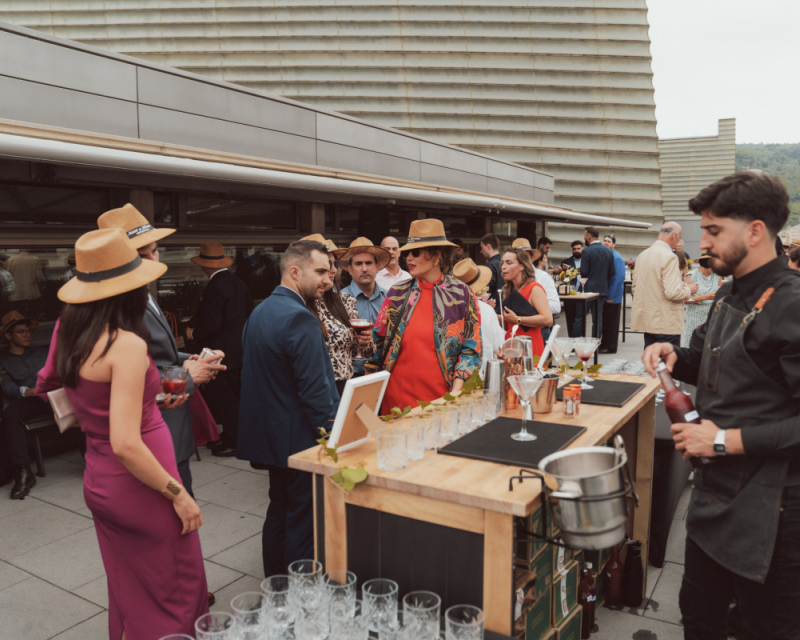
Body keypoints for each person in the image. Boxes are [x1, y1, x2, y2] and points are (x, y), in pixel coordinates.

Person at [641, 171, 800, 640]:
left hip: (774, 513)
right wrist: (676, 355)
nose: (703, 242)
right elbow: (712, 362)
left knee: (764, 629)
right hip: (713, 499)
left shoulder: (792, 305)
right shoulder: (729, 292)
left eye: (713, 230)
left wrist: (723, 440)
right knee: (699, 618)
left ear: (755, 231)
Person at [36, 228, 207, 640]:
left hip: (101, 478)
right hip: (143, 486)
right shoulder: (125, 344)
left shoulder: (71, 334)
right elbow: (127, 443)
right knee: (177, 594)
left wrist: (153, 402)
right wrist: (178, 494)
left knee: (130, 590)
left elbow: (84, 398)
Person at [98, 204, 224, 495]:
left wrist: (190, 359)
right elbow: (128, 378)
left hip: (171, 429)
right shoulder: (118, 307)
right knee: (178, 508)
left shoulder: (143, 292)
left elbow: (156, 354)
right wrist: (187, 376)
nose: (153, 260)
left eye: (154, 251)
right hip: (151, 435)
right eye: (142, 255)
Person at [237, 240, 339, 577]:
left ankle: (276, 587)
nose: (328, 279)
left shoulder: (260, 311)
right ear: (294, 271)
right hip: (300, 441)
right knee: (302, 522)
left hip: (271, 437)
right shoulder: (299, 317)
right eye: (320, 271)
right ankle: (298, 592)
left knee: (279, 511)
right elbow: (316, 391)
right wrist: (334, 437)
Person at [368, 219, 481, 412]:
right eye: (407, 253)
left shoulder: (461, 294)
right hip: (395, 400)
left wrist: (456, 392)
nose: (408, 258)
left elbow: (471, 346)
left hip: (442, 401)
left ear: (436, 255)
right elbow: (378, 343)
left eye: (416, 252)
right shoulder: (397, 293)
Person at [185, 241, 251, 458]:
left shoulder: (215, 286)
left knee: (225, 400)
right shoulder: (238, 282)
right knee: (236, 397)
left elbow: (211, 324)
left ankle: (234, 441)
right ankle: (234, 436)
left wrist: (192, 333)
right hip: (239, 350)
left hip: (219, 353)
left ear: (204, 265)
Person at [303, 235, 374, 394]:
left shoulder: (345, 301)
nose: (333, 270)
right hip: (314, 388)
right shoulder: (298, 305)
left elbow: (363, 353)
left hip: (345, 387)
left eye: (335, 264)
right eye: (327, 264)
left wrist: (366, 341)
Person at [0, 311, 53, 499]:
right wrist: (28, 392)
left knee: (82, 401)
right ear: (8, 336)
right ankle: (24, 472)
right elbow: (6, 385)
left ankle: (92, 459)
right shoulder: (2, 360)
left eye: (28, 331)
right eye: (21, 331)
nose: (27, 335)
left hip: (56, 395)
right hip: (32, 400)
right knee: (10, 415)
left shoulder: (43, 352)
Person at [630, 222, 699, 349]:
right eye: (679, 237)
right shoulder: (669, 257)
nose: (678, 242)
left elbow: (635, 288)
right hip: (667, 323)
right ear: (674, 236)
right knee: (668, 360)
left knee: (652, 359)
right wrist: (688, 290)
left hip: (649, 321)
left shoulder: (642, 255)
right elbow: (673, 293)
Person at [341, 237, 390, 375]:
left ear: (377, 267)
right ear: (350, 269)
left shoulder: (390, 298)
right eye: (358, 264)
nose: (364, 269)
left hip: (382, 372)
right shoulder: (339, 300)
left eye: (368, 263)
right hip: (351, 374)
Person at [453, 258, 504, 374]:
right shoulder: (486, 310)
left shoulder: (448, 310)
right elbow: (498, 346)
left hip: (455, 375)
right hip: (483, 373)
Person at [499, 247, 553, 352]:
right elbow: (509, 325)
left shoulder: (534, 288)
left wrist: (517, 319)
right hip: (512, 346)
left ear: (522, 266)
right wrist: (492, 314)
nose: (503, 267)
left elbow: (548, 319)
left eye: (509, 263)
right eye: (502, 263)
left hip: (530, 347)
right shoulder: (508, 290)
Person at [579, 227, 616, 339]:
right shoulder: (608, 251)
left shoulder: (586, 251)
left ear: (589, 236)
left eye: (585, 235)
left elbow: (584, 271)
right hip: (601, 289)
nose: (584, 237)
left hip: (587, 290)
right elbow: (612, 272)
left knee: (580, 317)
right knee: (597, 318)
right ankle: (595, 343)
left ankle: (575, 344)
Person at [681, 250, 722, 347]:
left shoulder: (717, 276)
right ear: (708, 263)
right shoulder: (691, 276)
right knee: (693, 345)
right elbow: (684, 300)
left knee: (709, 346)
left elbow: (720, 296)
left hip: (711, 317)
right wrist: (706, 297)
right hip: (694, 317)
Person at [599, 234, 626, 354]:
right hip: (606, 295)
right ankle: (604, 344)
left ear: (613, 244)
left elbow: (618, 278)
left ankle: (610, 347)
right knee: (606, 322)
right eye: (604, 240)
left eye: (609, 241)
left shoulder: (616, 258)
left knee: (611, 323)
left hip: (612, 296)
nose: (606, 243)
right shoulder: (606, 255)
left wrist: (611, 296)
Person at [528, 249, 561, 343]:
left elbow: (556, 307)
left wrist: (531, 306)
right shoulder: (510, 278)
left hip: (539, 330)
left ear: (532, 258)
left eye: (523, 256)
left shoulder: (543, 276)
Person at [560, 240, 584, 337]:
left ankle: (578, 338)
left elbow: (585, 272)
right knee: (570, 318)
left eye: (578, 248)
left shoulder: (587, 261)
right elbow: (563, 278)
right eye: (574, 249)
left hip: (583, 295)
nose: (576, 251)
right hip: (570, 295)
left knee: (580, 318)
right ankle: (571, 339)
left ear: (582, 249)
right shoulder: (565, 262)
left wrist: (570, 268)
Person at [479, 233, 503, 308]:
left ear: (488, 246)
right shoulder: (504, 263)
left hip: (493, 307)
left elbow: (486, 291)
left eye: (482, 248)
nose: (481, 251)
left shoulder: (490, 266)